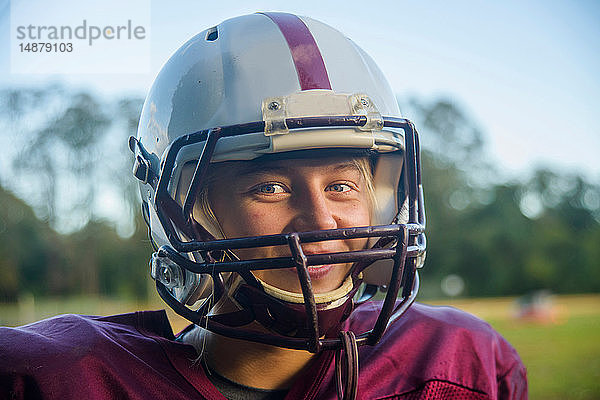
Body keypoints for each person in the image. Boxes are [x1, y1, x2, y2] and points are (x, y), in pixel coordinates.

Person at [0, 12, 527, 400]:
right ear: (187, 211)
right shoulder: (59, 379)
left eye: (342, 185)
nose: (321, 222)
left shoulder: (460, 364)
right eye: (270, 187)